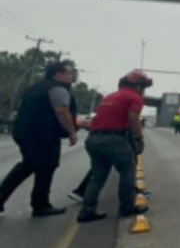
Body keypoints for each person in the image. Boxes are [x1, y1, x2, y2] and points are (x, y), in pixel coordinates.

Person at [0, 61, 78, 216]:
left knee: (29, 165)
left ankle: (35, 202)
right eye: (69, 73)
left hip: (24, 132)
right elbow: (62, 111)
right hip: (43, 136)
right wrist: (72, 132)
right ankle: (41, 205)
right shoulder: (58, 89)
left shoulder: (34, 88)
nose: (71, 76)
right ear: (58, 74)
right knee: (45, 167)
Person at [76, 70, 152, 223]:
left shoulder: (110, 96)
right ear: (138, 86)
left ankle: (86, 211)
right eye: (143, 87)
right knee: (127, 171)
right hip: (114, 139)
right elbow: (133, 118)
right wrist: (139, 138)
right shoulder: (134, 97)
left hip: (93, 139)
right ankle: (127, 207)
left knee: (97, 176)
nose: (144, 91)